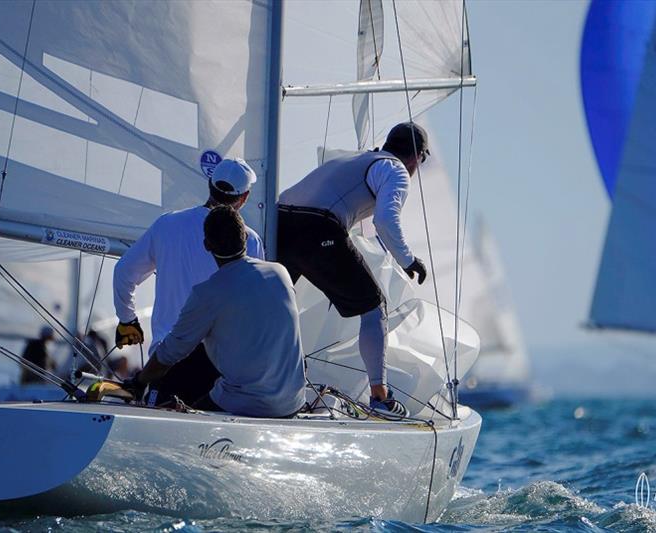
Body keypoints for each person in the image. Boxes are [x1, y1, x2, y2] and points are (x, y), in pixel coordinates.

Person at [277, 122, 430, 417]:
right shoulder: (396, 170)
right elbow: (385, 221)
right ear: (417, 157)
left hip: (280, 221)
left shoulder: (356, 159)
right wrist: (408, 260)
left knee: (274, 306)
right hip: (317, 226)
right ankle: (380, 397)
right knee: (375, 306)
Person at [124, 206, 306, 418]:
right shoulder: (280, 273)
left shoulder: (207, 293)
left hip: (247, 404)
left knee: (180, 402)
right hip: (293, 402)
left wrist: (138, 382)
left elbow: (169, 353)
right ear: (245, 239)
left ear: (206, 245)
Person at [113, 158, 265, 406]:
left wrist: (127, 320)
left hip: (166, 363)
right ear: (244, 197)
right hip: (221, 368)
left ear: (209, 185)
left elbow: (123, 272)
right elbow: (254, 308)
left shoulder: (167, 225)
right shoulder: (251, 240)